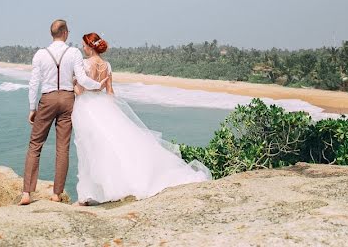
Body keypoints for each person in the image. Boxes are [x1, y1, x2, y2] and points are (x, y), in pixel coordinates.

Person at [72, 32, 211, 205]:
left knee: (89, 148)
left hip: (87, 108)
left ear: (90, 46)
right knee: (110, 145)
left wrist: (73, 84)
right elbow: (110, 91)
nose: (83, 48)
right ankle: (104, 189)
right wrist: (114, 112)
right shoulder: (107, 65)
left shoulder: (85, 64)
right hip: (105, 106)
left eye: (84, 45)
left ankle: (91, 194)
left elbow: (81, 91)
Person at [19, 19, 105, 205]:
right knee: (62, 148)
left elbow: (34, 84)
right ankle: (56, 194)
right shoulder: (73, 52)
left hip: (48, 99)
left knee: (35, 145)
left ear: (52, 34)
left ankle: (27, 193)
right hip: (67, 100)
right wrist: (98, 85)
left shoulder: (40, 54)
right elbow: (81, 78)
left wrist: (32, 108)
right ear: (65, 33)